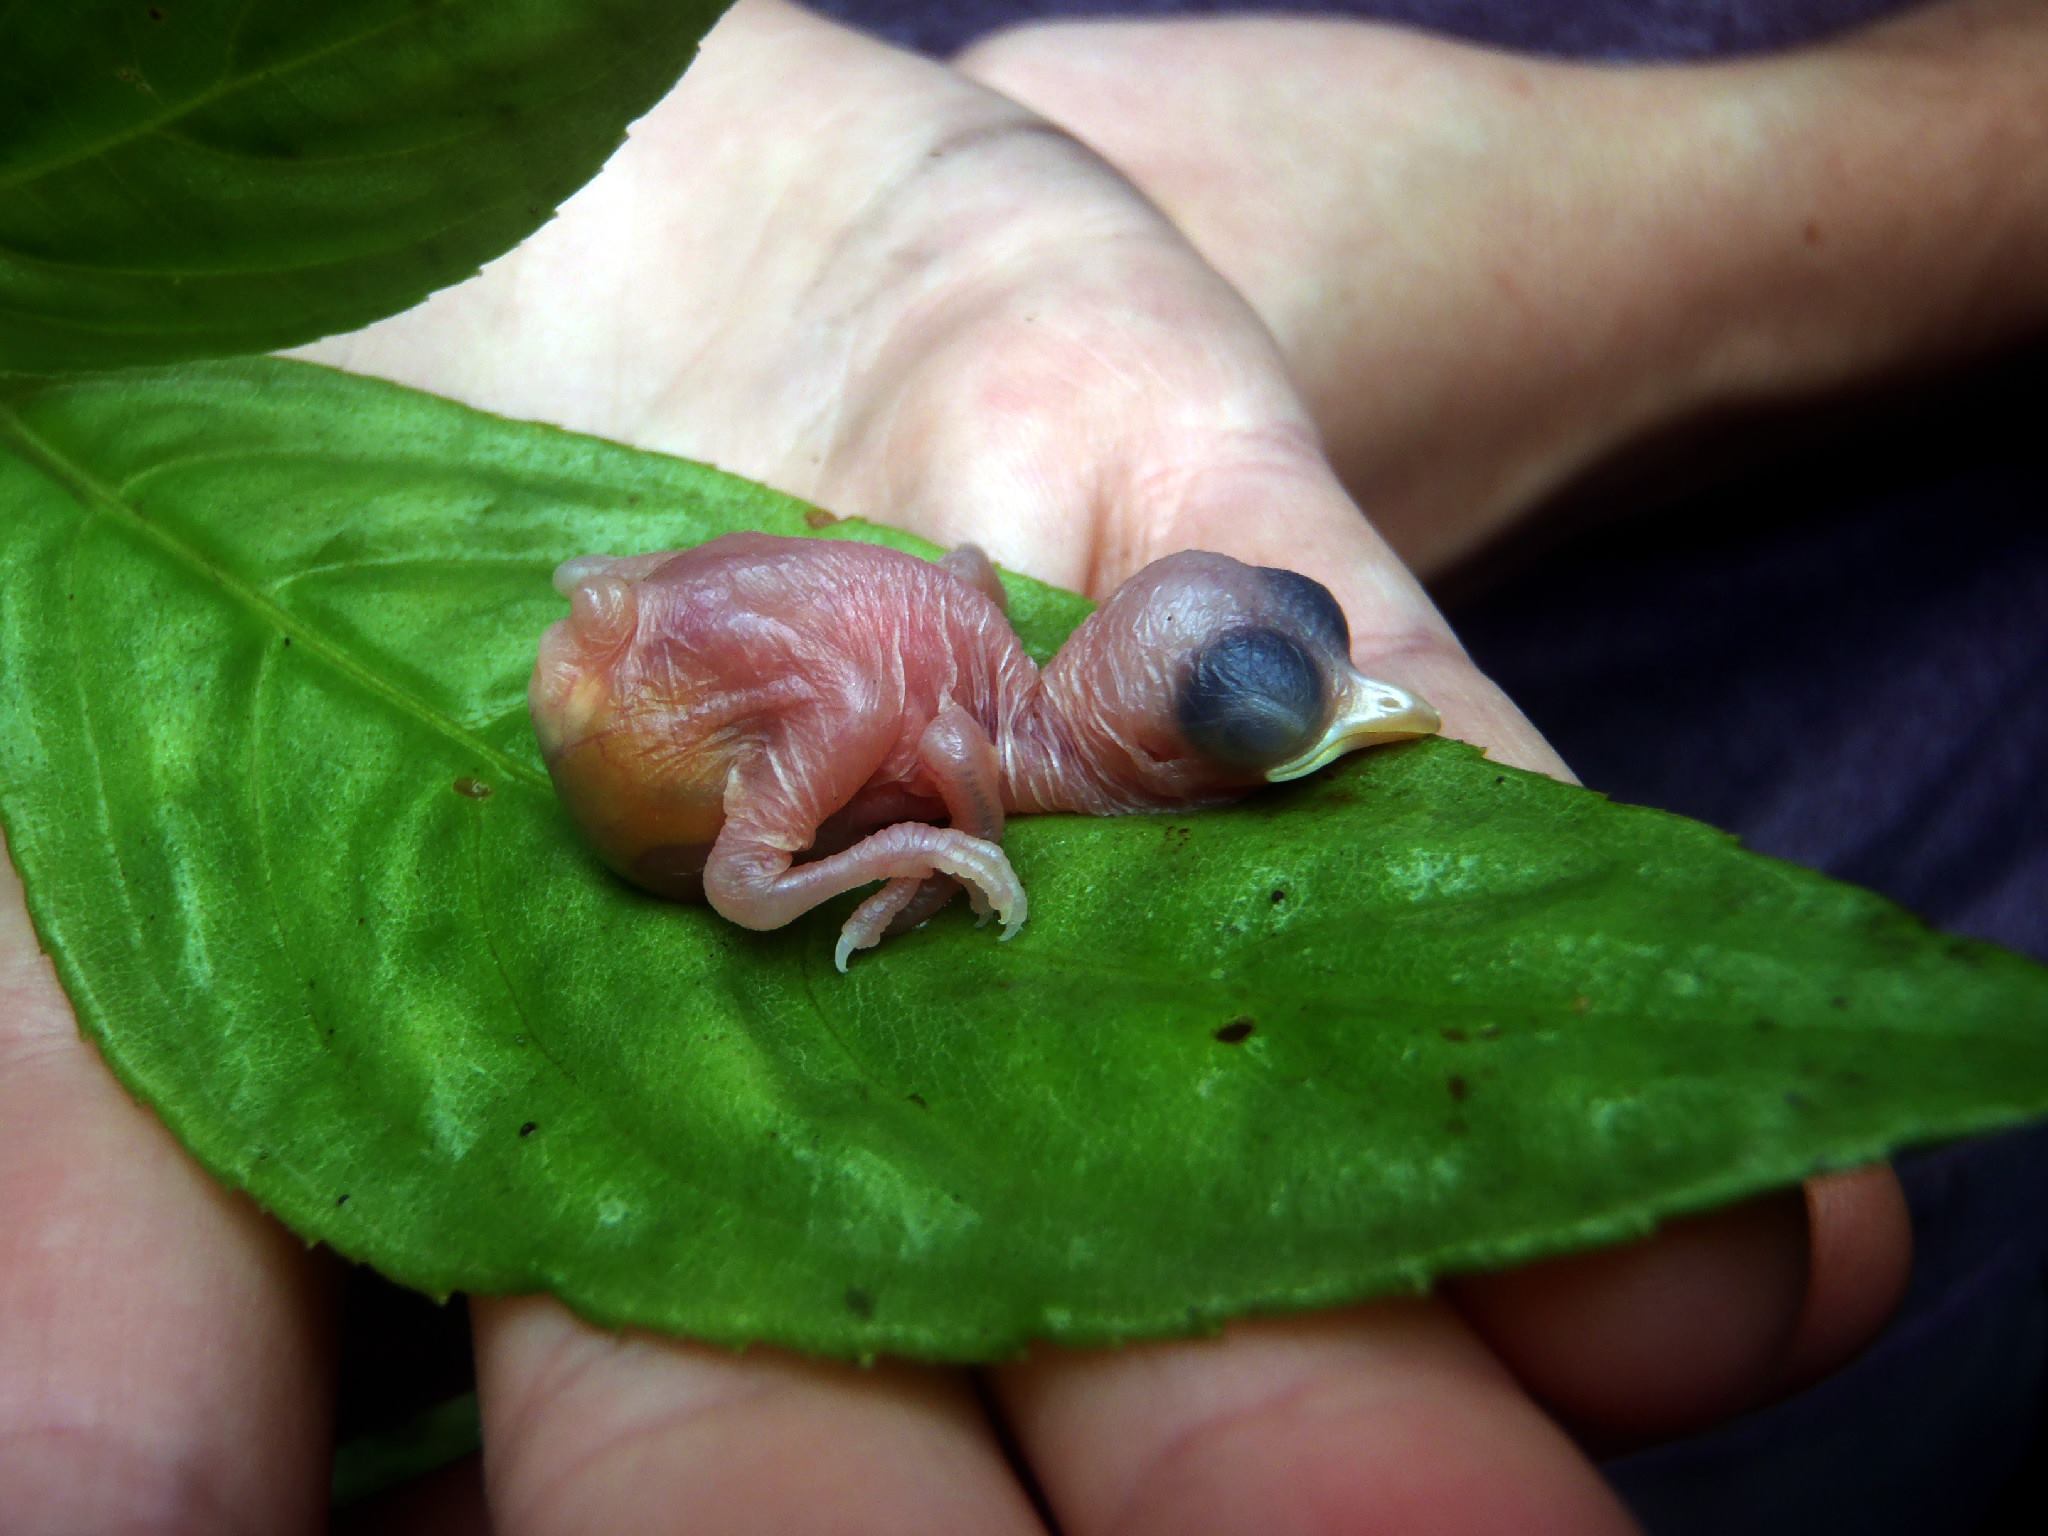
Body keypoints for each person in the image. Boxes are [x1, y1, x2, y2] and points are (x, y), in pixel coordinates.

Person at [3, 0, 2042, 1529]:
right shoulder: (973, 708)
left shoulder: (1004, 673)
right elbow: (901, 677)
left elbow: (946, 622)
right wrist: (904, 854)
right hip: (696, 710)